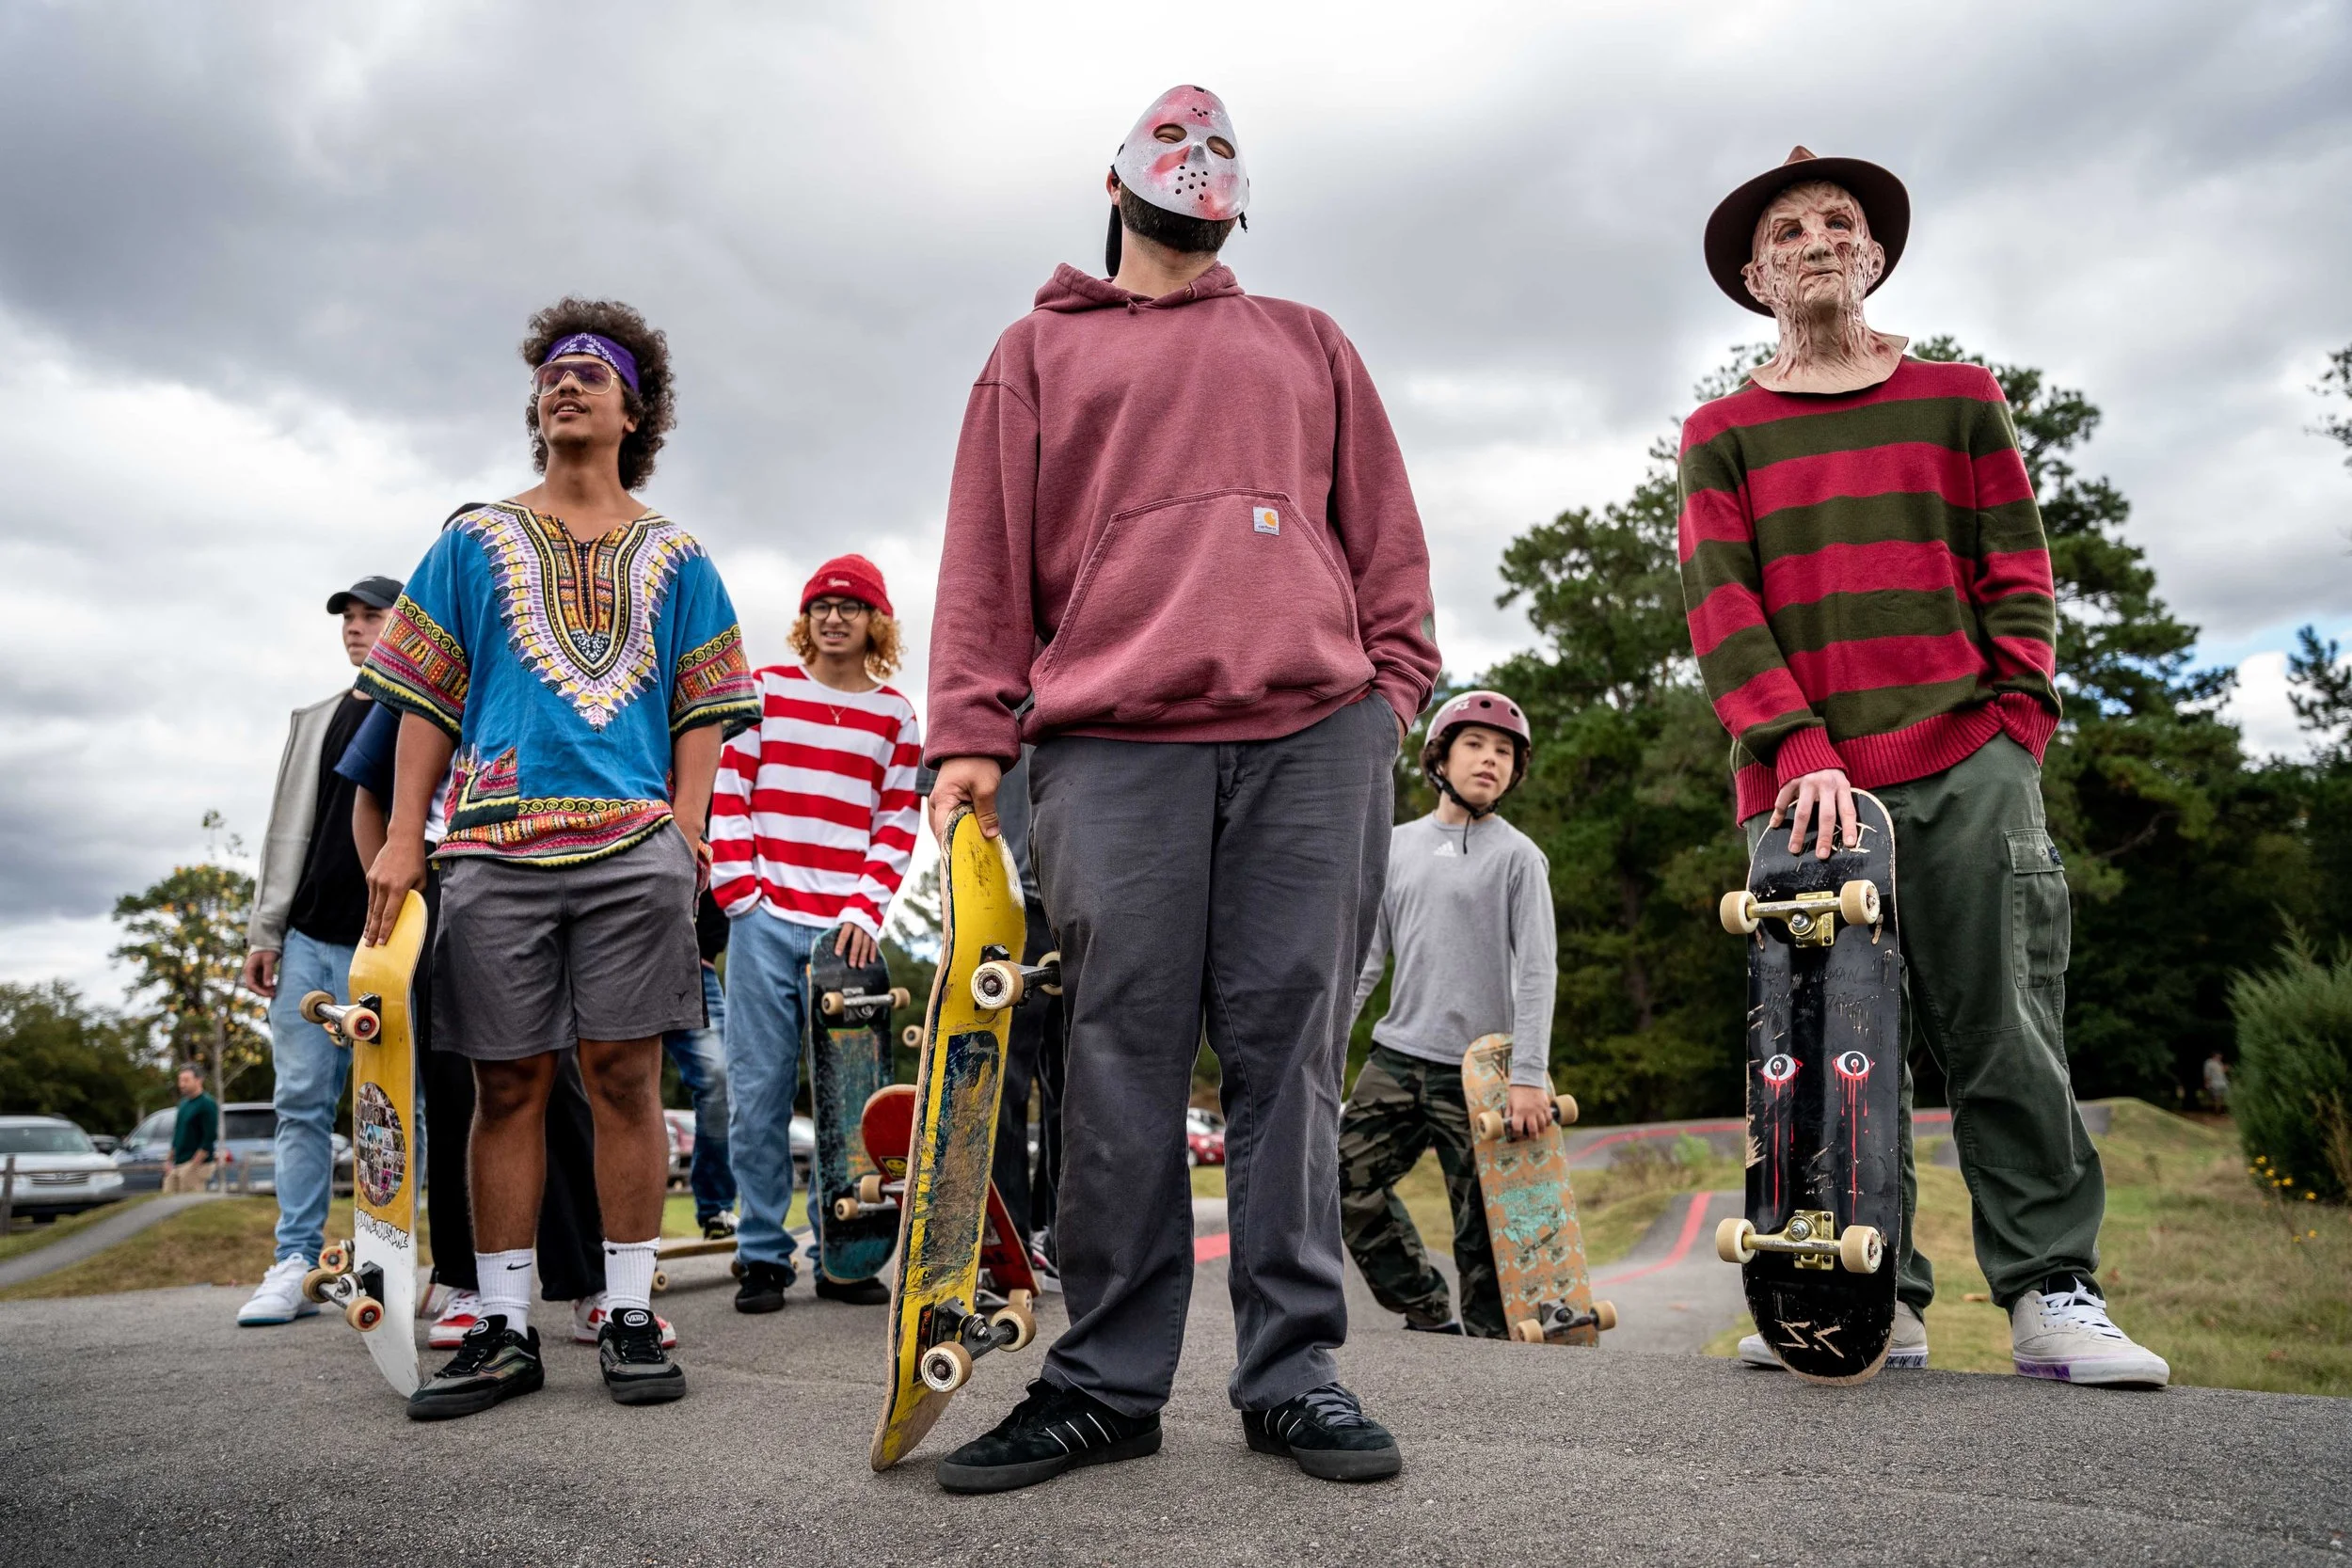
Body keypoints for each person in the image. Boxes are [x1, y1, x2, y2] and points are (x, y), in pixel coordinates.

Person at [923, 86, 1440, 1493]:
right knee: (1117, 1061)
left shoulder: (1306, 340)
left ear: (1240, 199)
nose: (1196, 166)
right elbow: (983, 555)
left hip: (1312, 737)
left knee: (1293, 1056)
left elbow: (1385, 534)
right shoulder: (1033, 351)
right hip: (1108, 743)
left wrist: (1389, 695)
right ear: (1116, 180)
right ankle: (1105, 1380)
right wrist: (971, 732)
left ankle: (1294, 1373)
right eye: (1172, 148)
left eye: (1221, 156)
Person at [1680, 148, 2167, 1386]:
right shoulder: (1721, 432)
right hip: (1806, 791)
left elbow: (2020, 569)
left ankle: (2052, 1289)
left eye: (1841, 222)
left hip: (1965, 756)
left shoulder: (1959, 396)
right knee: (1839, 1045)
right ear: (1754, 274)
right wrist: (1797, 746)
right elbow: (1722, 608)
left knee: (2005, 1017)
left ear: (1878, 256)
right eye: (1787, 231)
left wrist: (2017, 729)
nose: (1818, 239)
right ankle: (1866, 1297)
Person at [358, 299, 756, 1418]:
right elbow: (422, 695)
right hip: (491, 844)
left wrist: (687, 827)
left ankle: (629, 1311)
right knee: (505, 1082)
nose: (566, 383)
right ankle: (500, 1327)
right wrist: (403, 837)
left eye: (592, 371)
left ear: (635, 408)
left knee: (627, 1078)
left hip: (634, 846)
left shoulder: (678, 553)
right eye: (551, 372)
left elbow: (705, 703)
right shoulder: (473, 538)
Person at [341, 696, 672, 1354]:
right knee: (470, 1082)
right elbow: (368, 794)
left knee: (573, 1083)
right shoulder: (446, 640)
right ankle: (467, 1282)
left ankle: (592, 1284)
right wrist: (396, 909)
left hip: (582, 856)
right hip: (452, 868)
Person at [709, 553, 920, 1313]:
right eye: (823, 605)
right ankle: (762, 1254)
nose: (835, 617)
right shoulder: (763, 690)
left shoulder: (896, 715)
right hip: (765, 919)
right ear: (807, 619)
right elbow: (727, 788)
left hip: (846, 936)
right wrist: (740, 895)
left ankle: (844, 1254)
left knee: (850, 1102)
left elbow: (896, 824)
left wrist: (864, 912)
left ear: (875, 622)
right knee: (758, 1089)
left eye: (852, 606)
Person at [1339, 691, 1554, 1340]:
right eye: (1475, 745)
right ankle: (1427, 1305)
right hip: (1398, 1055)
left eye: (1504, 752)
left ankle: (1488, 1350)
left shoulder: (1519, 856)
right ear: (1439, 757)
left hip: (1483, 1071)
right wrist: (1322, 1045)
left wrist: (1529, 1074)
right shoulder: (1394, 845)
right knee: (1342, 1183)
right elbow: (1365, 961)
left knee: (1483, 1228)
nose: (1490, 760)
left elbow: (1538, 970)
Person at [233, 575, 397, 1326]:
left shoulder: (429, 710)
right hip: (307, 938)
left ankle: (392, 1258)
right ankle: (294, 1258)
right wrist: (265, 932)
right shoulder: (318, 718)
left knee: (400, 1110)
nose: (357, 629)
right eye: (350, 619)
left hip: (389, 940)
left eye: (373, 616)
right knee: (300, 1103)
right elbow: (282, 831)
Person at [662, 890, 738, 1240]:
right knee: (621, 1086)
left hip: (698, 968)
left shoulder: (721, 832)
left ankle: (715, 1208)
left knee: (720, 1079)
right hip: (629, 954)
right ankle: (615, 1230)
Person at [163, 1064, 218, 1195]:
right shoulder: (183, 1104)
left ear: (199, 1080)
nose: (182, 1084)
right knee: (167, 1199)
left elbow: (209, 1137)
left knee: (189, 1204)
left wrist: (194, 1164)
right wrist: (168, 1159)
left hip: (196, 1165)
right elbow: (178, 1133)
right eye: (180, 1080)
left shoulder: (207, 1104)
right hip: (178, 1163)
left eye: (186, 1080)